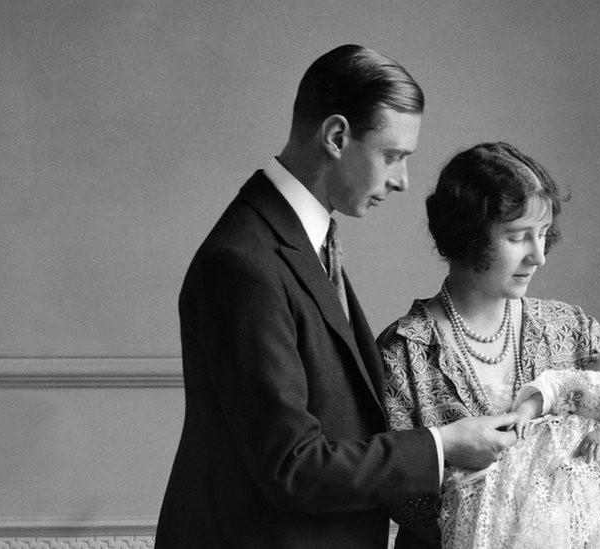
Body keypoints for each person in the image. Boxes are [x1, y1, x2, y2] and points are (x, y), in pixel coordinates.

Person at [155, 45, 518, 549]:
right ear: (336, 136)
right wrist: (443, 446)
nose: (402, 181)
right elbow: (294, 466)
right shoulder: (242, 262)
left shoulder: (302, 241)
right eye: (393, 156)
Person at [380, 142, 600, 548]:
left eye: (543, 235)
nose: (539, 256)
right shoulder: (404, 353)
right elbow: (398, 491)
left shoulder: (574, 331)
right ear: (468, 236)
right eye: (518, 237)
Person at [438, 336, 600, 549]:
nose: (597, 349)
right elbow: (548, 390)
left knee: (591, 518)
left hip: (593, 458)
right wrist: (524, 413)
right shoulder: (574, 377)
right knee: (532, 502)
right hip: (546, 455)